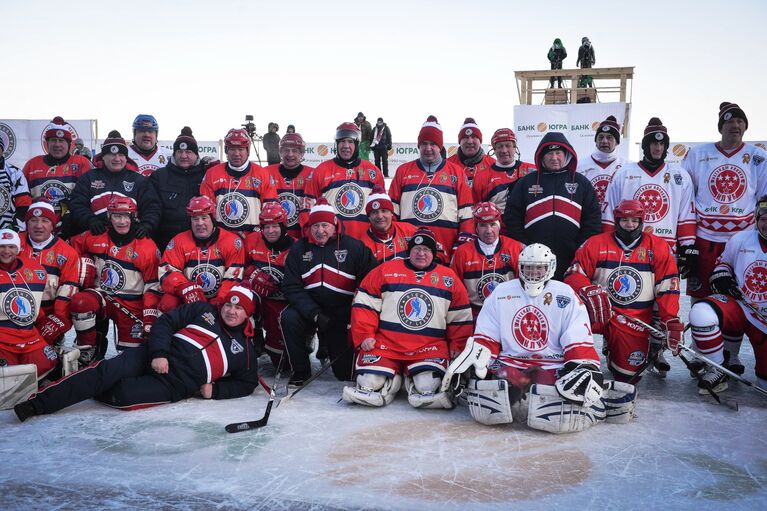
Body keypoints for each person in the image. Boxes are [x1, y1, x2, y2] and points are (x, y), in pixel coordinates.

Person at [448, 243, 636, 433]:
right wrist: (477, 360)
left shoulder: (565, 294)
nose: (533, 272)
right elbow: (487, 336)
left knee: (558, 409)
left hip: (553, 367)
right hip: (511, 366)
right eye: (528, 267)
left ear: (550, 268)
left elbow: (577, 336)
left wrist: (581, 366)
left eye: (539, 267)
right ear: (520, 267)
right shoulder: (501, 293)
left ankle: (596, 404)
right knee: (490, 406)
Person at [13, 286, 260, 423]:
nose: (231, 311)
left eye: (239, 308)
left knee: (124, 396)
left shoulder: (246, 351)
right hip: (151, 356)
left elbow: (247, 384)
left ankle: (82, 387)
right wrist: (159, 353)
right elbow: (165, 324)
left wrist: (215, 391)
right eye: (229, 305)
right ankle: (37, 405)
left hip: (174, 385)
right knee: (104, 372)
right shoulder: (203, 310)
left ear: (247, 314)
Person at [343, 226, 472, 408]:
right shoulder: (385, 271)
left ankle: (411, 379)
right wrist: (365, 335)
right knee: (369, 382)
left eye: (426, 249)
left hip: (429, 346)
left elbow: (460, 316)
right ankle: (392, 378)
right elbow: (365, 304)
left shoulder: (448, 278)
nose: (421, 253)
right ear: (409, 251)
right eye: (416, 249)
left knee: (429, 385)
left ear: (433, 253)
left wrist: (457, 345)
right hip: (386, 344)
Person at [682, 102, 767, 371]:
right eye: (730, 124)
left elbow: (763, 197)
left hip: (743, 241)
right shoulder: (698, 154)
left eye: (740, 123)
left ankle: (731, 355)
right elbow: (686, 194)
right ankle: (701, 353)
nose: (736, 127)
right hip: (706, 238)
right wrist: (686, 241)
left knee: (738, 296)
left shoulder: (758, 157)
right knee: (701, 295)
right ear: (721, 127)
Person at [564, 200, 683, 383]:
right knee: (568, 313)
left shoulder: (657, 247)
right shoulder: (596, 243)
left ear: (641, 221)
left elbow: (668, 287)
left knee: (627, 376)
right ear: (616, 220)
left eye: (635, 220)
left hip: (636, 318)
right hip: (601, 312)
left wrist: (670, 321)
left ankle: (644, 344)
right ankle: (579, 353)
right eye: (625, 220)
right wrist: (586, 289)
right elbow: (573, 274)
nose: (630, 225)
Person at [281, 198, 378, 384]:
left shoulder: (353, 247)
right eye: (315, 226)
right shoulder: (299, 248)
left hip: (340, 314)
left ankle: (335, 349)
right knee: (289, 317)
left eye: (325, 225)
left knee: (345, 374)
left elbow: (372, 280)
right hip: (310, 310)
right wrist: (315, 314)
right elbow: (291, 287)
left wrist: (354, 310)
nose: (320, 231)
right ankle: (301, 371)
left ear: (334, 225)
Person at [69, 197, 161, 365]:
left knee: (131, 359)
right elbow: (69, 250)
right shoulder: (95, 236)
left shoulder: (146, 246)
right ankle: (87, 348)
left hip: (132, 303)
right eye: (117, 216)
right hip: (102, 295)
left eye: (126, 216)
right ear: (109, 217)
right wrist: (84, 263)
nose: (122, 221)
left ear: (134, 217)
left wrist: (149, 319)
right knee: (81, 302)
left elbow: (153, 286)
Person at [688, 196, 767, 392]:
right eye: (764, 218)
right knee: (701, 312)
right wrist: (721, 275)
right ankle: (718, 368)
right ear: (757, 218)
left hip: (764, 323)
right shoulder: (741, 239)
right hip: (741, 308)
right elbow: (724, 263)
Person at [504, 131, 601, 280]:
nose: (554, 158)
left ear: (566, 155)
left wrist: (580, 248)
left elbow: (592, 219)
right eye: (549, 154)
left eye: (558, 153)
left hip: (572, 258)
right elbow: (512, 217)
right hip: (534, 261)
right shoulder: (526, 182)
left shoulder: (581, 183)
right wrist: (526, 246)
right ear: (541, 156)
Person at [389, 116, 474, 261]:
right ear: (419, 146)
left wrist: (459, 247)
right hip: (411, 252)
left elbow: (466, 217)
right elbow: (392, 214)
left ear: (440, 146)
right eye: (424, 144)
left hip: (446, 251)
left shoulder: (457, 172)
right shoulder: (403, 171)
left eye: (433, 144)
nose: (428, 149)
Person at [158, 196, 244, 313]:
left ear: (213, 219)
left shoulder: (231, 241)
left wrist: (217, 302)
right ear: (190, 221)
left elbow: (233, 279)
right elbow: (167, 273)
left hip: (220, 300)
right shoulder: (179, 241)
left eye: (204, 218)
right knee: (168, 303)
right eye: (195, 219)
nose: (200, 223)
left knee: (238, 300)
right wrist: (185, 288)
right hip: (188, 298)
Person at [69, 130, 161, 239]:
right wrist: (90, 220)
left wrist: (146, 224)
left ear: (126, 158)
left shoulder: (139, 180)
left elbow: (152, 206)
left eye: (121, 154)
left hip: (129, 239)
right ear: (103, 156)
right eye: (111, 154)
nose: (117, 159)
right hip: (94, 236)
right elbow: (77, 204)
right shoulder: (88, 178)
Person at [304, 122, 385, 239]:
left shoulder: (373, 171)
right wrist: (312, 237)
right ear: (336, 144)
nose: (346, 146)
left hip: (366, 241)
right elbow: (307, 209)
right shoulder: (321, 171)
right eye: (342, 141)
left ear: (357, 144)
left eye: (350, 141)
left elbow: (383, 211)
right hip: (331, 243)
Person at [0, 229, 57, 389]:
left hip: (28, 336)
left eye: (11, 246)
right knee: (7, 376)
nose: (6, 251)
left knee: (48, 363)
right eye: (1, 246)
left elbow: (35, 306)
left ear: (18, 249)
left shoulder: (35, 270)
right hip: (2, 339)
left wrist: (47, 322)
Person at [19, 202, 81, 346]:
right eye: (33, 220)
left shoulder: (67, 253)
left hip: (48, 315)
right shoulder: (13, 245)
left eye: (45, 221)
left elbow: (67, 291)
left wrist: (57, 320)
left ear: (53, 225)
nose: (38, 225)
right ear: (27, 224)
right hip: (14, 311)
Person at [451, 202, 523, 321]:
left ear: (499, 225)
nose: (489, 230)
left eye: (492, 224)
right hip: (475, 315)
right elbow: (457, 291)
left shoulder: (515, 248)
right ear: (476, 228)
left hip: (508, 312)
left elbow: (523, 285)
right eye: (483, 225)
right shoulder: (462, 253)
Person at [244, 202, 296, 366]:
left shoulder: (296, 247)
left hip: (282, 304)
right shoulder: (252, 240)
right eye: (266, 227)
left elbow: (302, 284)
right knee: (238, 299)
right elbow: (238, 267)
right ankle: (254, 336)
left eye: (274, 226)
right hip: (257, 300)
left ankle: (301, 339)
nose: (270, 231)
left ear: (283, 225)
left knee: (281, 363)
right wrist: (252, 274)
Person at [200, 128, 277, 237]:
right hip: (221, 240)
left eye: (241, 149)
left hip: (254, 239)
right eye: (232, 149)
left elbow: (271, 212)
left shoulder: (263, 174)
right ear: (226, 150)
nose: (236, 154)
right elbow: (205, 213)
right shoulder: (212, 174)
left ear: (248, 150)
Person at [22, 116, 92, 235]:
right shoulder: (32, 164)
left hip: (74, 227)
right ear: (47, 143)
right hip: (40, 229)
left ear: (70, 144)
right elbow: (23, 200)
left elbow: (91, 197)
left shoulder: (82, 163)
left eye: (61, 141)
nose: (57, 144)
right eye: (53, 140)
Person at [149, 127, 210, 251]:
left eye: (188, 152)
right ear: (174, 153)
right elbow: (152, 208)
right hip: (166, 243)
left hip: (200, 243)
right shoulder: (159, 176)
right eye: (179, 152)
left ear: (196, 154)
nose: (183, 156)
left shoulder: (207, 175)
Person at [471, 128, 536, 225]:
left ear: (515, 147)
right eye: (500, 146)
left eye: (508, 146)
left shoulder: (532, 170)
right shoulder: (481, 176)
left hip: (527, 228)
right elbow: (475, 210)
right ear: (494, 149)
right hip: (497, 232)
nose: (504, 150)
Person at [262, 132, 314, 239]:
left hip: (302, 237)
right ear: (280, 152)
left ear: (302, 153)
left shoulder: (312, 174)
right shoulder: (266, 173)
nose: (290, 154)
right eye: (286, 150)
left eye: (294, 150)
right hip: (274, 237)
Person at [576, 116, 625, 220]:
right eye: (601, 137)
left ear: (617, 142)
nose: (604, 141)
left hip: (616, 223)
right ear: (596, 140)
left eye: (609, 137)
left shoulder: (626, 167)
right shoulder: (580, 165)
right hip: (587, 222)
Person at [361, 185, 417, 262]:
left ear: (392, 213)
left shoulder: (410, 231)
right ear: (369, 217)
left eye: (384, 211)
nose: (380, 216)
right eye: (374, 212)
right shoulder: (363, 246)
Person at [447, 118, 495, 187]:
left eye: (474, 137)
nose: (470, 141)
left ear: (480, 141)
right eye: (465, 137)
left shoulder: (493, 165)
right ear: (460, 141)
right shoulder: (448, 165)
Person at [1, 136, 32, 231]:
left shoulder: (14, 172)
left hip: (9, 230)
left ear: (2, 150)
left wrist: (16, 229)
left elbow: (24, 205)